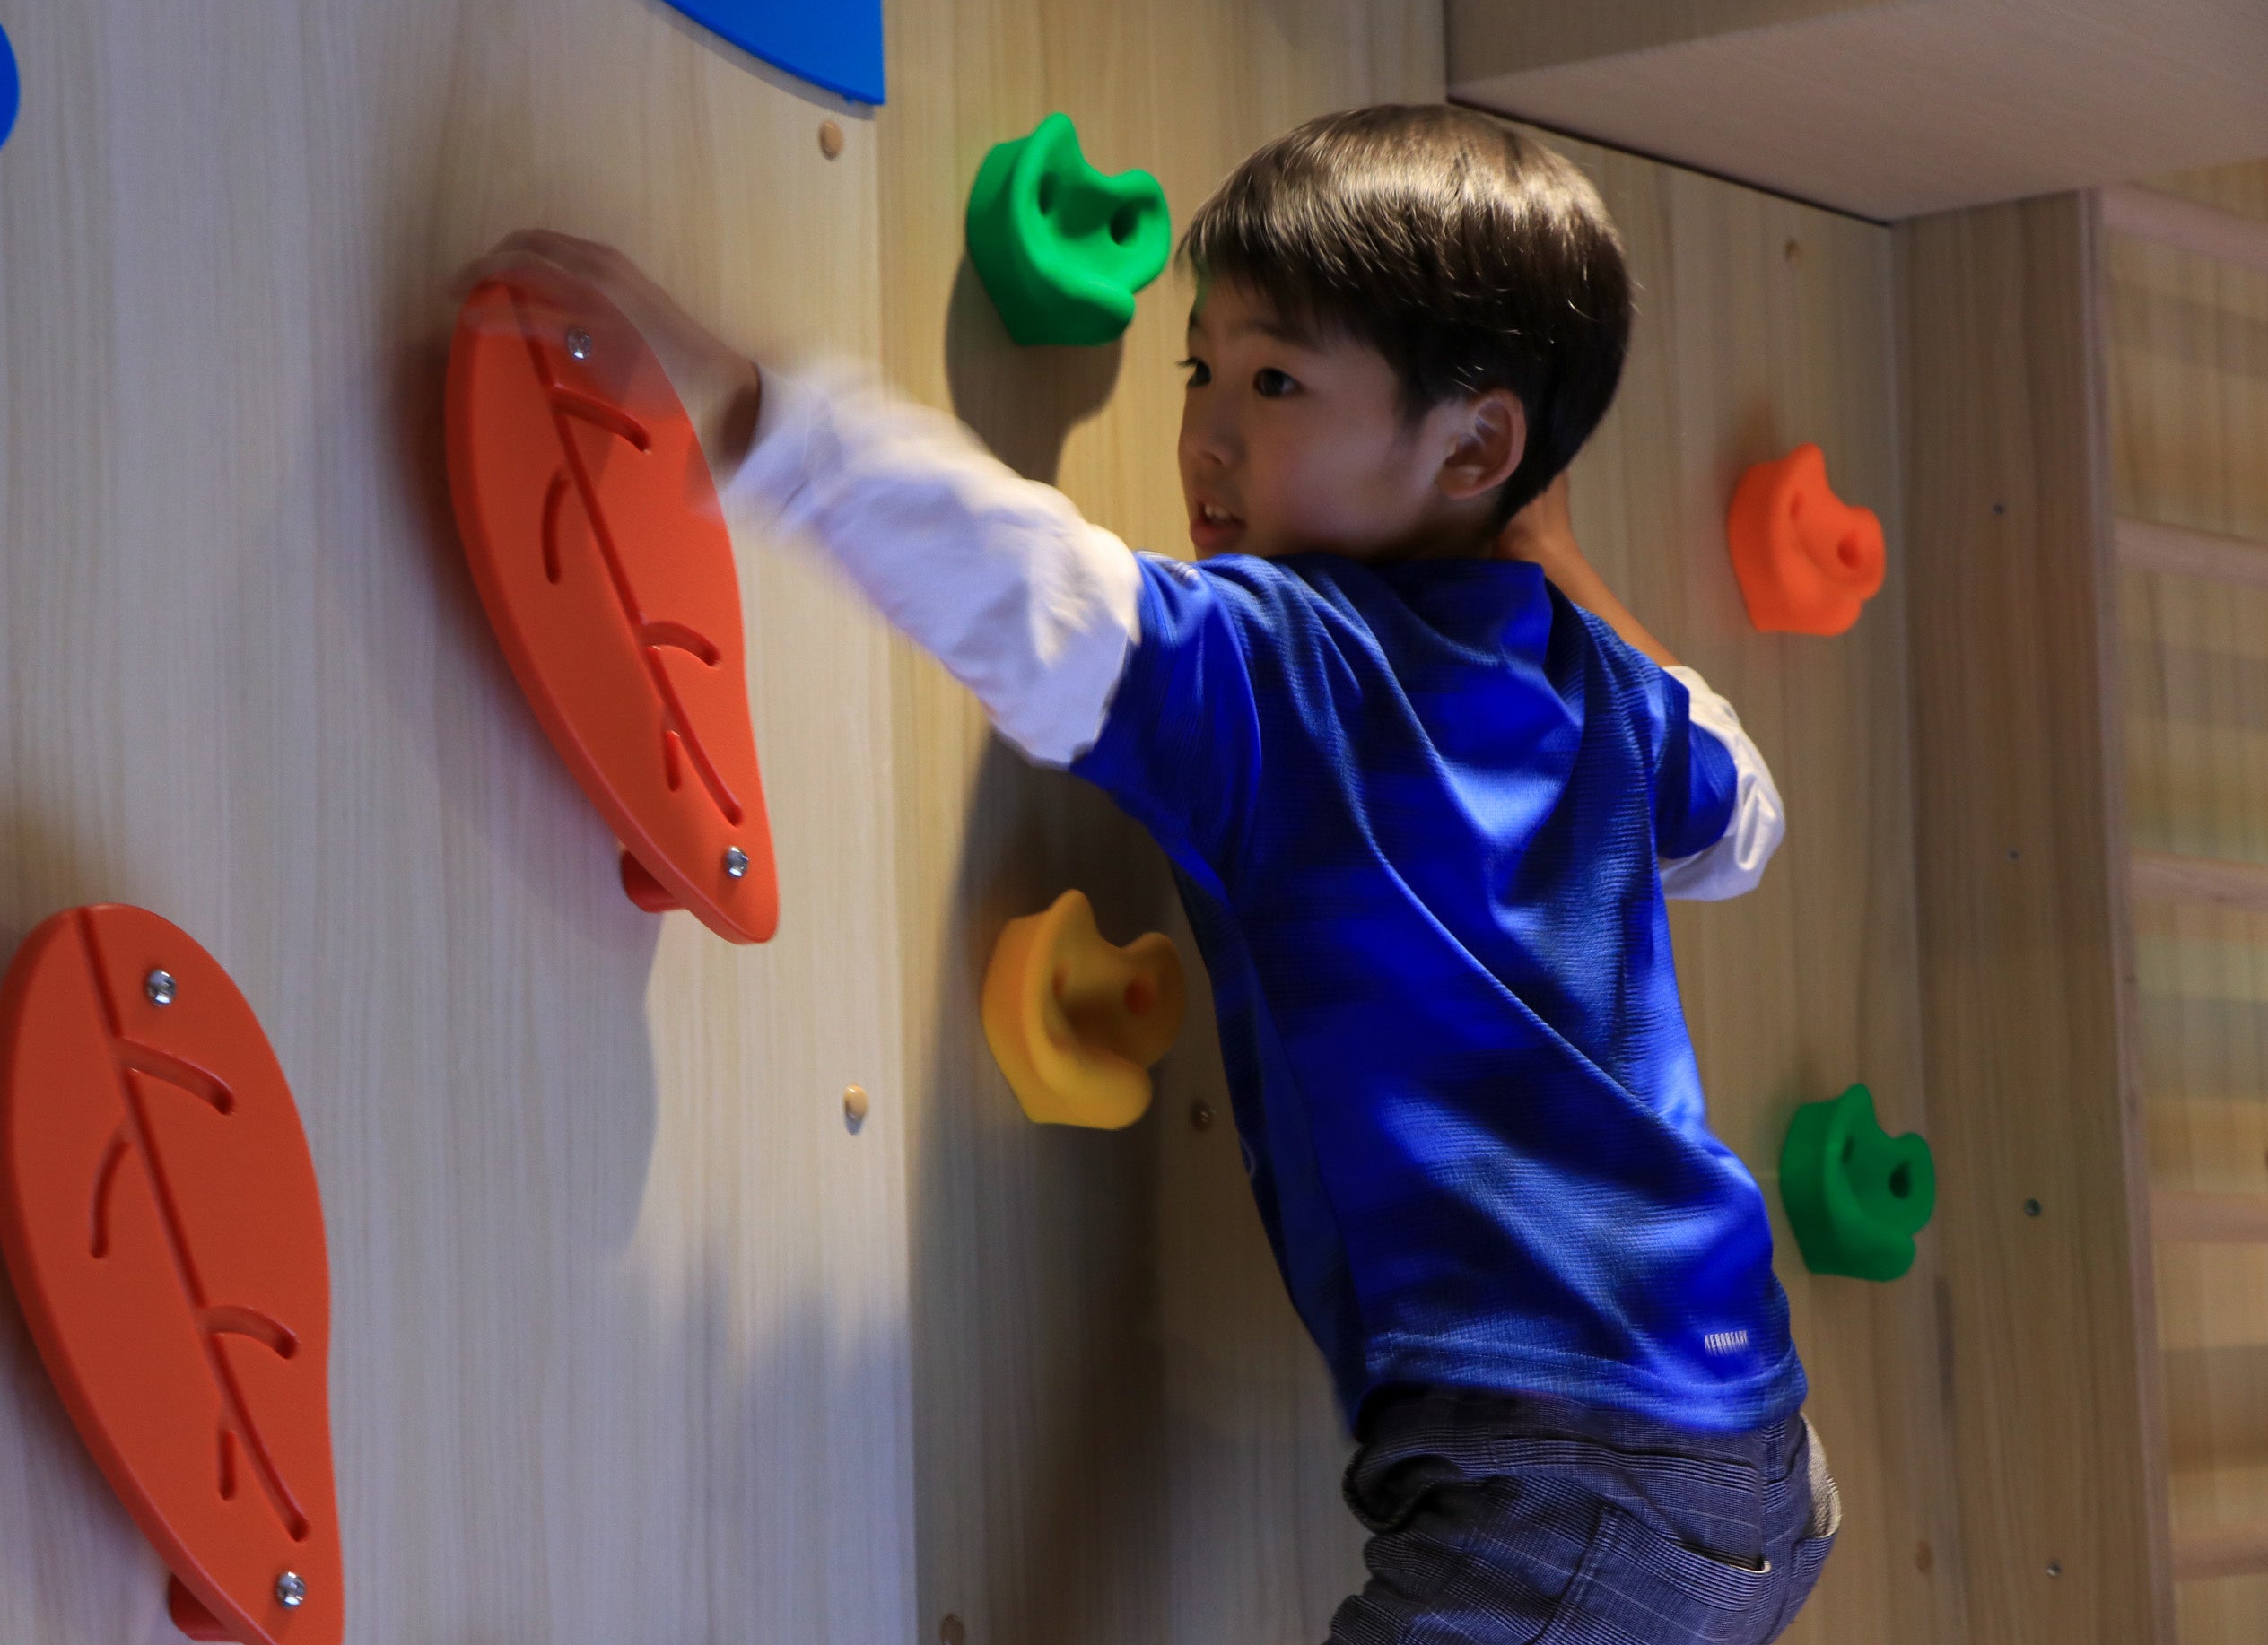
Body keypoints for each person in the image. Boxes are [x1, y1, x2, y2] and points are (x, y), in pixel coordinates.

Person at [469, 103, 1841, 1644]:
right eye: (1202, 372)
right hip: (1752, 1439)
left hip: (1553, 1482)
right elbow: (1745, 815)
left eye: (1275, 382)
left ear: (1474, 445)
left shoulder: (1287, 666)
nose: (1206, 435)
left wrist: (749, 415)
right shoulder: (1600, 693)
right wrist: (1548, 548)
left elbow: (1038, 588)